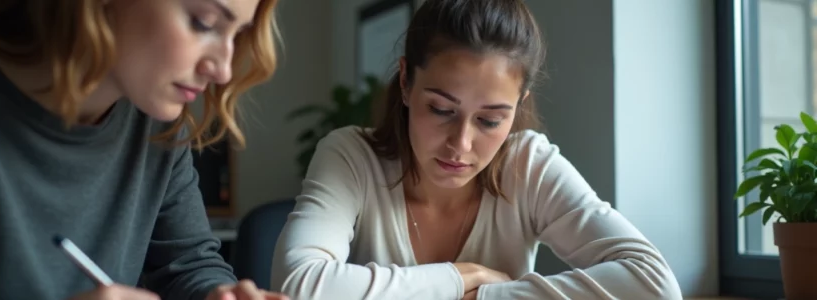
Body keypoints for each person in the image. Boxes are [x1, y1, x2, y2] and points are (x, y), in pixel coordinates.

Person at [270, 0, 683, 299]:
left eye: (490, 120)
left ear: (518, 106)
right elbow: (297, 285)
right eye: (441, 109)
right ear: (405, 82)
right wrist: (457, 278)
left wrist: (488, 297)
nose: (461, 144)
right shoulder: (350, 157)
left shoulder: (528, 166)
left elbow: (654, 284)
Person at [0, 0, 287, 299]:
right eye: (203, 23)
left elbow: (188, 264)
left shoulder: (154, 122)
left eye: (238, 34)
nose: (224, 70)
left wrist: (218, 293)